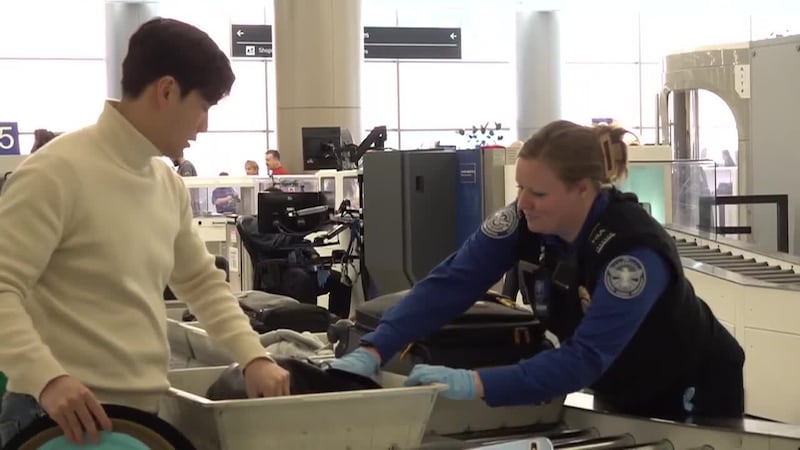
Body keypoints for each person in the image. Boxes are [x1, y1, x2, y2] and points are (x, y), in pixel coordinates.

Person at [0, 18, 290, 446]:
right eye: (203, 106)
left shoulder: (163, 182)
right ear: (167, 91)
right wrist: (49, 379)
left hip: (137, 415)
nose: (204, 126)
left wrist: (253, 356)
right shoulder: (55, 173)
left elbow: (201, 283)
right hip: (56, 417)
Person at [331, 120, 745, 420]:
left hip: (691, 389)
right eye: (520, 188)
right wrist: (375, 347)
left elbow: (584, 357)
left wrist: (476, 383)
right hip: (618, 385)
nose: (523, 202)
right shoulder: (526, 221)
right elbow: (452, 282)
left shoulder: (632, 252)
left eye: (539, 192)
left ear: (583, 189)